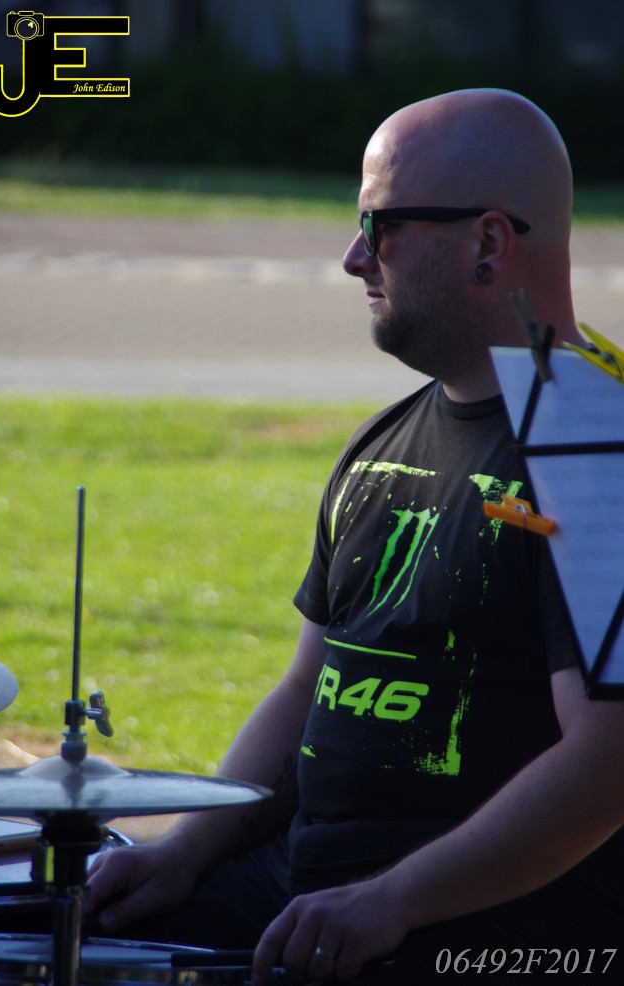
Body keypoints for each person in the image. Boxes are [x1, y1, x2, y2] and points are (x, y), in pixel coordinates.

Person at [85, 88, 624, 984]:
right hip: (313, 896)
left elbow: (609, 763)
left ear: (489, 243)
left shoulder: (595, 450)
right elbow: (307, 686)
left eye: (378, 226)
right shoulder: (382, 442)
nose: (351, 257)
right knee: (68, 930)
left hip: (483, 928)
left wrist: (389, 901)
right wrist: (183, 851)